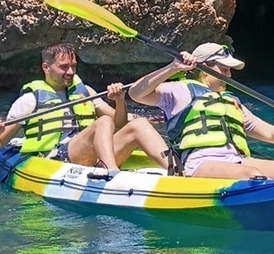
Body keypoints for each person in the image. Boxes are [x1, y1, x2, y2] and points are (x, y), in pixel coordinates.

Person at [128, 42, 274, 179]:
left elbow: (269, 133)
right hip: (201, 163)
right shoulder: (182, 91)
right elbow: (136, 93)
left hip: (237, 160)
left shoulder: (232, 102)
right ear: (205, 67)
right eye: (224, 69)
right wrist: (172, 68)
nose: (229, 75)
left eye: (229, 70)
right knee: (253, 176)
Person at [0, 42, 171, 174]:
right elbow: (3, 141)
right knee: (103, 121)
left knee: (139, 124)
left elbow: (120, 122)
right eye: (63, 67)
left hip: (92, 155)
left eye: (73, 66)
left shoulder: (86, 92)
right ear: (46, 67)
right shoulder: (29, 100)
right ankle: (111, 172)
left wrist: (120, 100)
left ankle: (175, 171)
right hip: (58, 158)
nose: (70, 72)